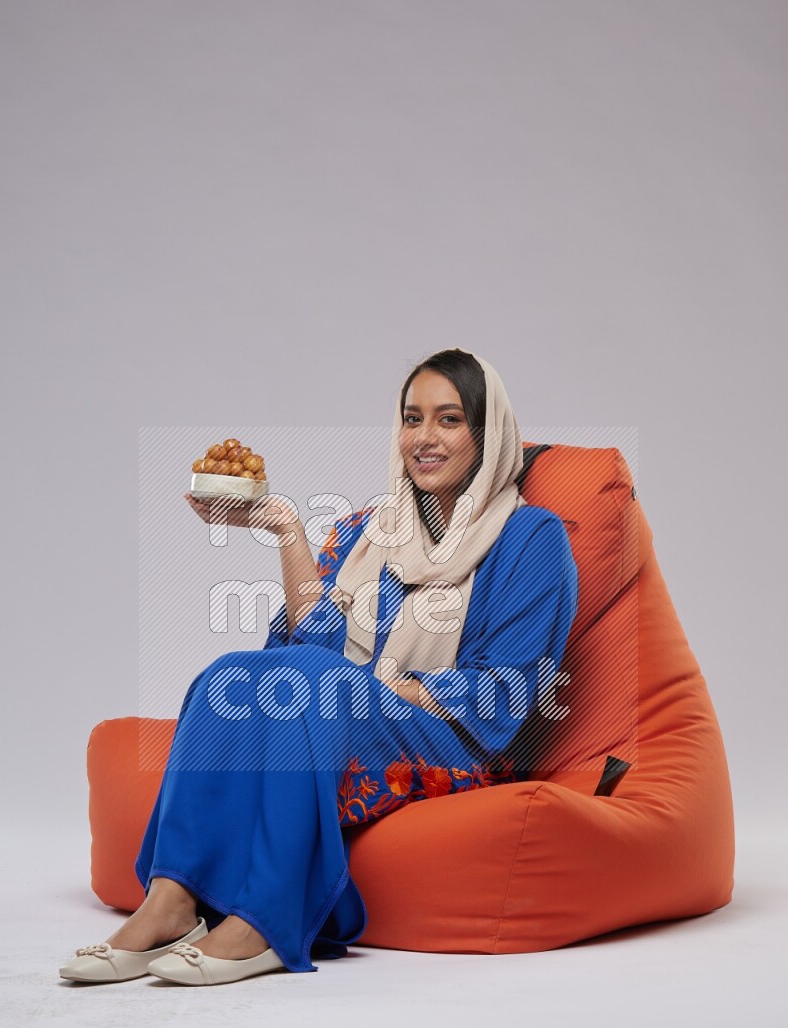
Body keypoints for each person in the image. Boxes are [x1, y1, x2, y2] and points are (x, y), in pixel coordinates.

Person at [58, 348, 578, 987]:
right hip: (344, 708)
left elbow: (509, 690)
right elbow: (310, 648)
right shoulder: (372, 528)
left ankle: (267, 921)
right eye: (412, 419)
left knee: (307, 681)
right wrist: (286, 532)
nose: (424, 438)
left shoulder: (532, 536)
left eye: (448, 420)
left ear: (487, 433)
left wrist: (381, 686)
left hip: (451, 737)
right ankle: (171, 901)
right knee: (226, 676)